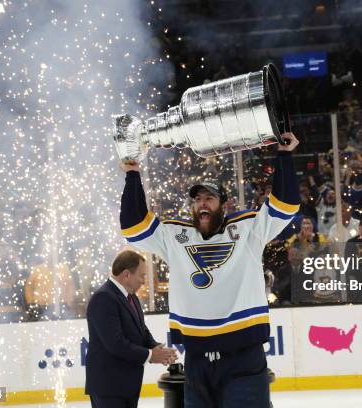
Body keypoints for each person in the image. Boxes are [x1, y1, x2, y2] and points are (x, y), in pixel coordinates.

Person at [120, 132, 300, 408]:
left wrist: (285, 156)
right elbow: (134, 228)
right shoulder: (175, 236)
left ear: (223, 205)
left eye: (209, 198)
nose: (202, 204)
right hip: (197, 357)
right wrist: (133, 174)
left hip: (243, 354)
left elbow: (284, 207)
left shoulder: (247, 230)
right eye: (197, 199)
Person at [85, 250, 177, 408]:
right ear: (126, 274)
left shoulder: (131, 296)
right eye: (141, 275)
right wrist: (150, 355)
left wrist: (156, 348)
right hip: (109, 387)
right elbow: (115, 343)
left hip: (127, 384)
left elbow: (141, 329)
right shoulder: (104, 298)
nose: (143, 281)